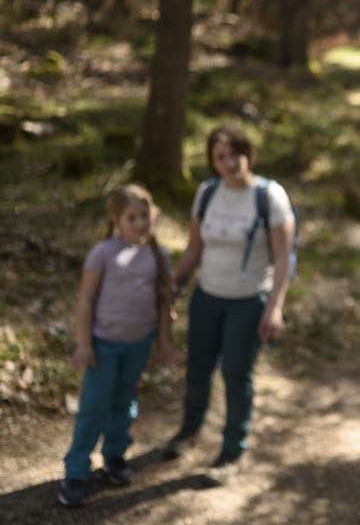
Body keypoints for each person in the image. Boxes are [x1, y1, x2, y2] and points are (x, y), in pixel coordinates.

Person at [165, 124, 295, 485]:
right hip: (207, 297)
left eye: (235, 153)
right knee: (198, 370)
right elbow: (194, 247)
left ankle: (231, 452)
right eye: (220, 156)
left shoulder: (269, 195)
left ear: (247, 153)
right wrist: (175, 285)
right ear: (213, 161)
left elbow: (283, 259)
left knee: (236, 376)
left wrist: (274, 307)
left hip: (248, 301)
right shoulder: (207, 193)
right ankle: (189, 431)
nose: (229, 162)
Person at [59, 185, 180, 507]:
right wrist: (84, 343)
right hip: (103, 345)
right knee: (94, 406)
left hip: (138, 345)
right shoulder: (103, 253)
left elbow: (164, 303)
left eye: (144, 215)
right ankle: (76, 471)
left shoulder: (160, 255)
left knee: (124, 403)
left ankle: (114, 455)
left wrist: (164, 343)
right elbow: (85, 299)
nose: (140, 223)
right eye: (132, 217)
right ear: (116, 220)